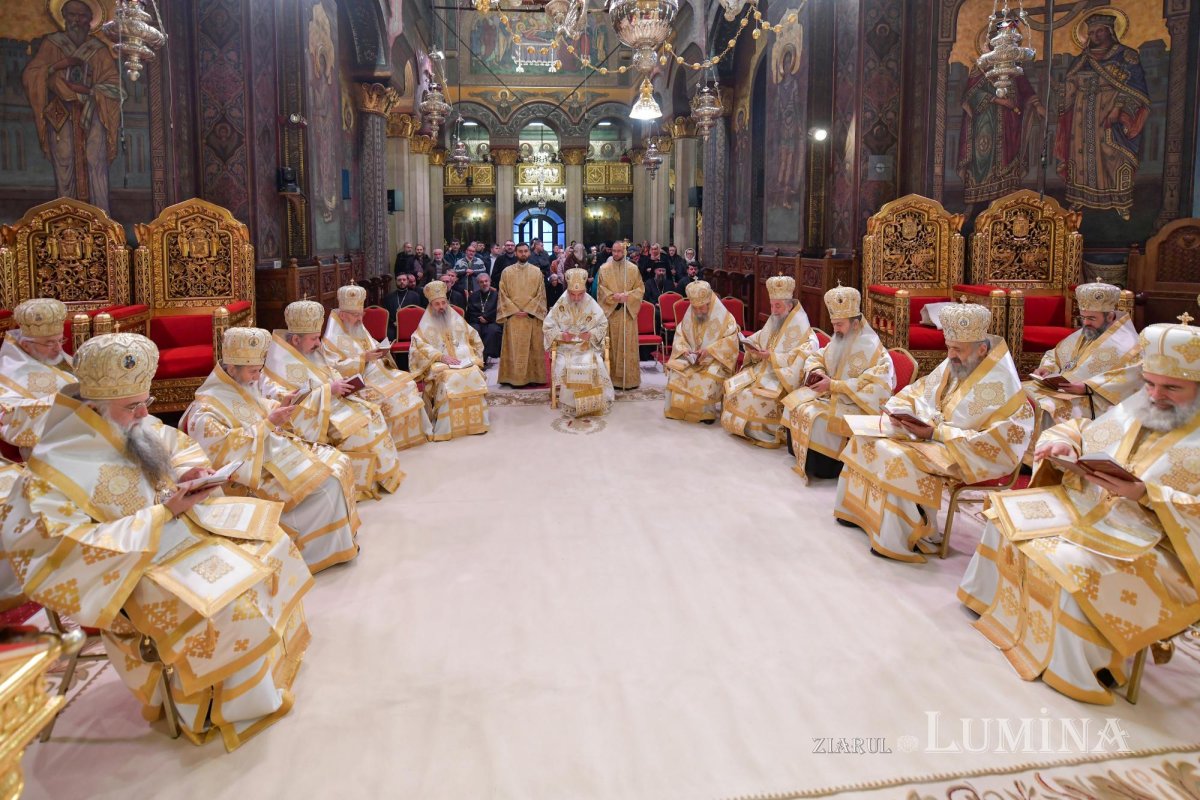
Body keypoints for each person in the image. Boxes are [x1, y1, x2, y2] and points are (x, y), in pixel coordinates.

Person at [0, 332, 312, 750]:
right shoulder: (52, 470)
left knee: (271, 541)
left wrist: (188, 473)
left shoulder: (131, 422)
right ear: (94, 408)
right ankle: (220, 703)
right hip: (129, 573)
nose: (145, 413)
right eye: (133, 406)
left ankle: (268, 671)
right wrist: (162, 515)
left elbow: (180, 446)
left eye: (145, 402)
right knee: (232, 603)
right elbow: (68, 547)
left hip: (180, 533)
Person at [959, 318, 1200, 702]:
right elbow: (1087, 429)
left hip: (1160, 542)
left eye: (1172, 387)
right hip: (1092, 507)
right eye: (1150, 383)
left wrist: (1147, 495)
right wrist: (1063, 442)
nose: (1156, 395)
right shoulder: (1140, 406)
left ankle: (1076, 665)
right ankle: (1000, 612)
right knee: (1005, 517)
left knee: (1074, 566)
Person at [834, 303, 1034, 562]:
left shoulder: (1002, 386)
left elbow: (996, 443)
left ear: (982, 349)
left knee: (899, 459)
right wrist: (899, 411)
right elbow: (916, 391)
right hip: (929, 437)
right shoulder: (957, 362)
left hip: (965, 452)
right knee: (867, 439)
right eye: (948, 347)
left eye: (957, 350)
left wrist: (936, 433)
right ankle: (861, 515)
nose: (950, 355)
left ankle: (912, 535)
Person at [182, 327, 360, 573]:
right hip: (249, 475)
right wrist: (269, 423)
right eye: (253, 371)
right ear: (232, 368)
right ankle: (314, 552)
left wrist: (278, 405)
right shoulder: (206, 408)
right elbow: (222, 452)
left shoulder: (240, 384)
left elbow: (255, 405)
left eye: (258, 371)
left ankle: (337, 542)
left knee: (338, 463)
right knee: (326, 483)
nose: (257, 378)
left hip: (270, 452)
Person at [266, 300, 405, 499]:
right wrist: (329, 389)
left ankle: (382, 477)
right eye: (314, 339)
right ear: (296, 340)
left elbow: (329, 369)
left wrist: (341, 382)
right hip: (317, 417)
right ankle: (361, 486)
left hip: (334, 405)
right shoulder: (280, 363)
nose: (318, 343)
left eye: (318, 337)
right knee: (362, 430)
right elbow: (285, 402)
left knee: (373, 412)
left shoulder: (311, 351)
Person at [783, 285, 894, 481]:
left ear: (856, 324)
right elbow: (817, 357)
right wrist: (818, 372)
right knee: (795, 404)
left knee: (817, 418)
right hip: (830, 395)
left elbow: (876, 386)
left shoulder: (874, 350)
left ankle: (828, 466)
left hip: (854, 404)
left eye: (840, 324)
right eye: (834, 324)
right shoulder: (839, 340)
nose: (835, 329)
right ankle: (802, 455)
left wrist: (834, 386)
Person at [21, 0, 122, 210]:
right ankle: (66, 217)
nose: (76, 20)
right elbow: (32, 75)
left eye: (81, 16)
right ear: (64, 18)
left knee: (95, 161)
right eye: (71, 15)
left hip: (93, 115)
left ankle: (100, 221)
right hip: (61, 115)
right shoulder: (52, 44)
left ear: (90, 20)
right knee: (64, 160)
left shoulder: (99, 50)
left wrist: (88, 90)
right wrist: (57, 67)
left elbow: (115, 87)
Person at [1054, 11, 1150, 220]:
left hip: (1109, 109)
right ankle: (1080, 196)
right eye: (1091, 33)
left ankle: (1119, 201)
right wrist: (1065, 89)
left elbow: (1136, 89)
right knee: (1080, 154)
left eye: (1099, 32)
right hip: (1081, 112)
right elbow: (1070, 83)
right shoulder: (1083, 58)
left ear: (1110, 32)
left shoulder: (1126, 56)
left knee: (1111, 155)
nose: (1095, 36)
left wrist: (1118, 109)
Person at [323, 284, 431, 451]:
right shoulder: (331, 339)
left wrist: (382, 352)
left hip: (378, 372)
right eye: (355, 315)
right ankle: (392, 440)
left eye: (361, 314)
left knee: (408, 382)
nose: (360, 319)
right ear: (343, 315)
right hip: (360, 382)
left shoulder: (359, 328)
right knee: (391, 395)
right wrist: (362, 358)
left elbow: (372, 347)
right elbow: (333, 368)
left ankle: (417, 432)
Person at [1026, 280, 1141, 430]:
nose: (1085, 323)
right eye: (1083, 317)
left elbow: (1133, 377)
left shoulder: (1128, 344)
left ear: (1110, 317)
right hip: (1064, 389)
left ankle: (1044, 448)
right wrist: (1047, 368)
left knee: (1047, 406)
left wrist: (1088, 387)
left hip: (1097, 399)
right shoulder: (1088, 331)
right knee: (1021, 392)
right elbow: (1054, 355)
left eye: (1092, 318)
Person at [720, 276, 818, 446]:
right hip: (761, 370)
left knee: (754, 399)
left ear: (789, 306)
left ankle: (765, 433)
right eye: (772, 305)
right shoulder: (775, 321)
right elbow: (761, 337)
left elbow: (804, 353)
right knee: (734, 389)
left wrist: (772, 357)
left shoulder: (803, 330)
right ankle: (741, 429)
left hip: (779, 377)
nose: (774, 310)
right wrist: (750, 345)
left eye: (778, 306)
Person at [409, 281, 490, 440]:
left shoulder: (456, 318)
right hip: (441, 364)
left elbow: (474, 337)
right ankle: (447, 426)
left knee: (473, 373)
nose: (441, 307)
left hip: (462, 361)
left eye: (443, 303)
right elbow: (416, 344)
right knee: (448, 377)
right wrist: (440, 356)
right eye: (437, 304)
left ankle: (476, 422)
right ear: (431, 305)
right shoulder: (425, 324)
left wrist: (473, 356)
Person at [0, 298, 74, 451]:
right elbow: (8, 416)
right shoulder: (8, 373)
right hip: (47, 449)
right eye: (49, 343)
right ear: (26, 345)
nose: (59, 348)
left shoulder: (57, 357)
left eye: (60, 340)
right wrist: (70, 402)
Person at [664, 281, 740, 424]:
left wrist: (709, 350)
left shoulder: (726, 319)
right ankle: (678, 410)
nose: (698, 312)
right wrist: (684, 350)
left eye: (701, 308)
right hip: (691, 358)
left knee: (707, 377)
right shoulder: (690, 315)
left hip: (715, 359)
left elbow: (731, 341)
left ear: (709, 304)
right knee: (675, 372)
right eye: (695, 308)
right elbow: (680, 335)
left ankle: (706, 414)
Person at [543, 268, 614, 418]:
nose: (576, 298)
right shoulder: (561, 302)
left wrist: (590, 334)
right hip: (565, 348)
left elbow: (603, 324)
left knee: (597, 364)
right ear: (567, 291)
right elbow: (548, 326)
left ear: (585, 290)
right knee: (565, 365)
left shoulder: (591, 302)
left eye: (580, 294)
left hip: (587, 347)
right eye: (572, 294)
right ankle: (572, 404)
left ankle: (593, 402)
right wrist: (562, 335)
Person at [497, 243, 548, 387]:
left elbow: (541, 294)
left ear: (529, 253)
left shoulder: (537, 272)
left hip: (531, 316)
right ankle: (512, 378)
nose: (523, 254)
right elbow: (502, 294)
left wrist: (530, 310)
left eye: (526, 251)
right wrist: (513, 310)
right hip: (513, 317)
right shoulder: (506, 272)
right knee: (514, 348)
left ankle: (534, 377)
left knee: (533, 346)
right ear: (515, 253)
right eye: (520, 251)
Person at [596, 240, 645, 390]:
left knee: (627, 345)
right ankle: (611, 379)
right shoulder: (604, 269)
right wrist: (613, 297)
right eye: (614, 251)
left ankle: (629, 380)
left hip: (627, 314)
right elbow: (601, 290)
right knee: (611, 347)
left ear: (625, 252)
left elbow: (640, 289)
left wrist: (627, 296)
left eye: (619, 251)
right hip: (612, 314)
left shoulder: (633, 269)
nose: (616, 254)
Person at [467, 272, 502, 362]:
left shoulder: (497, 295)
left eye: (486, 281)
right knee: (474, 329)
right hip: (477, 321)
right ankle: (475, 355)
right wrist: (480, 319)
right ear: (478, 284)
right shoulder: (473, 296)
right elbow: (470, 311)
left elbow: (499, 310)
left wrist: (487, 318)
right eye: (481, 282)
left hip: (492, 321)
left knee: (492, 330)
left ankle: (484, 356)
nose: (484, 283)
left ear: (490, 282)